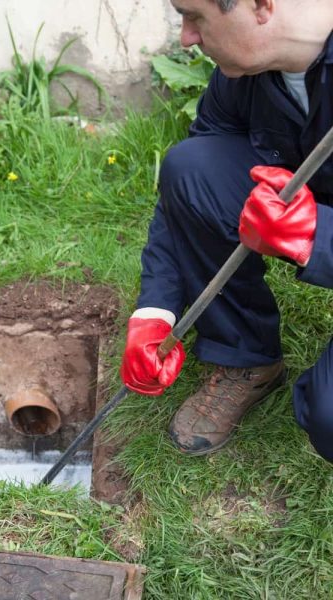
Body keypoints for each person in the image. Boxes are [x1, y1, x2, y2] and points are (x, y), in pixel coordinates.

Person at [120, 0, 333, 461]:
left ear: (261, 6)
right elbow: (188, 192)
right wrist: (156, 309)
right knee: (192, 167)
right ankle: (246, 358)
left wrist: (318, 236)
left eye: (195, 16)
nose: (186, 38)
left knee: (330, 417)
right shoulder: (248, 75)